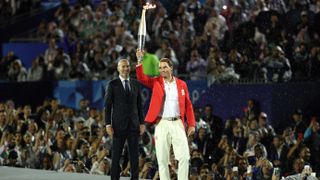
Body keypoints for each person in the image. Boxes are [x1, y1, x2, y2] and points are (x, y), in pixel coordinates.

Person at [136, 50, 196, 180]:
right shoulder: (156, 82)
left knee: (184, 157)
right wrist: (140, 61)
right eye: (160, 68)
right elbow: (141, 78)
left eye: (164, 67)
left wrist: (191, 124)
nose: (162, 70)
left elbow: (188, 105)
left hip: (178, 124)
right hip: (161, 123)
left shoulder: (182, 84)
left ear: (171, 68)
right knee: (162, 160)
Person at [104, 59, 145, 180]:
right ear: (118, 68)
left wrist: (142, 123)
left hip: (134, 125)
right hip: (117, 126)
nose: (126, 69)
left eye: (127, 66)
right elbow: (107, 106)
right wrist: (107, 124)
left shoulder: (136, 84)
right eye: (123, 66)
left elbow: (139, 106)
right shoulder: (112, 84)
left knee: (134, 157)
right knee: (116, 157)